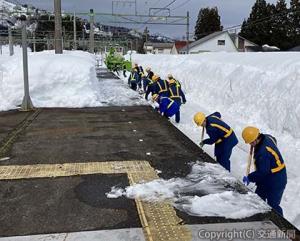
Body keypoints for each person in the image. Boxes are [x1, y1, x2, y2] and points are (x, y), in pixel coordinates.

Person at [242, 126, 287, 216]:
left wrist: (250, 177)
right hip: (267, 175)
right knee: (258, 198)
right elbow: (273, 139)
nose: (250, 145)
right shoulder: (266, 137)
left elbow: (262, 172)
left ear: (254, 140)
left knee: (273, 205)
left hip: (277, 179)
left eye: (250, 143)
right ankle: (259, 216)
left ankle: (281, 225)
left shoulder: (263, 153)